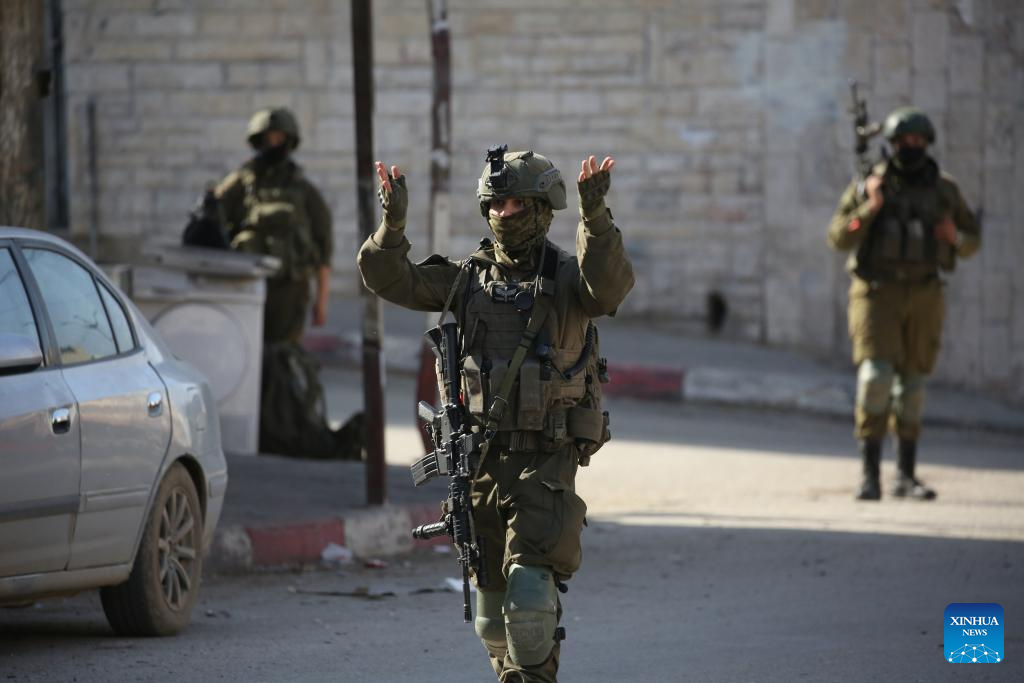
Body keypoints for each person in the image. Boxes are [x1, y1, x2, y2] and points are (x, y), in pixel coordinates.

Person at [358, 147, 634, 682]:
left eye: (516, 204)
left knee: (529, 602)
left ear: (543, 209)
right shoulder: (467, 279)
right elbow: (388, 278)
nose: (504, 214)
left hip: (545, 459)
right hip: (479, 462)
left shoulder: (570, 278)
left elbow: (609, 287)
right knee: (491, 618)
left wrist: (596, 218)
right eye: (496, 205)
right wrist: (392, 224)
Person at [827, 107, 981, 502]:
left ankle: (906, 476)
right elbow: (839, 236)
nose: (910, 147)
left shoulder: (944, 190)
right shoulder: (871, 184)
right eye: (902, 142)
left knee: (912, 384)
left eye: (917, 141)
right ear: (891, 145)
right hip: (877, 294)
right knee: (876, 377)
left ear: (927, 143)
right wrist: (870, 207)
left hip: (924, 294)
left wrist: (953, 237)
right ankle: (869, 475)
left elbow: (971, 241)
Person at [216, 107, 360, 460]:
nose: (273, 143)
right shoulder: (241, 183)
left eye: (279, 137)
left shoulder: (302, 190)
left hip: (291, 293)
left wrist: (321, 302)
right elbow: (212, 225)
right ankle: (249, 430)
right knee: (247, 360)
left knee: (283, 361)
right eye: (268, 138)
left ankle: (284, 428)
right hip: (244, 292)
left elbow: (322, 251)